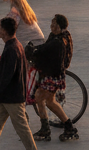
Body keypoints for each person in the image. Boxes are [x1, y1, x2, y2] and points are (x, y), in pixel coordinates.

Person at [0, 15, 36, 150]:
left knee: (22, 129)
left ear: (4, 32)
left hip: (12, 98)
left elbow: (7, 75)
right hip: (5, 98)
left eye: (0, 29)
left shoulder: (11, 49)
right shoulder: (15, 45)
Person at [30, 13, 77, 142]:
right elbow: (45, 48)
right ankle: (68, 127)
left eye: (54, 24)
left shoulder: (58, 42)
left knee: (39, 97)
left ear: (60, 26)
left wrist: (35, 52)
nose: (51, 26)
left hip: (53, 76)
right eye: (51, 24)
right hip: (54, 75)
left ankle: (46, 129)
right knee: (50, 102)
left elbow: (47, 50)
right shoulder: (59, 36)